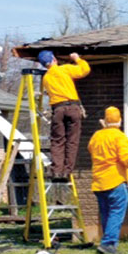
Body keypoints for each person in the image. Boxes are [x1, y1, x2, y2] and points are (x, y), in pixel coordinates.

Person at [87, 106, 128, 254]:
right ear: (120, 120)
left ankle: (106, 242)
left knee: (106, 213)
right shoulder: (119, 136)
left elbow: (90, 149)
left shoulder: (96, 136)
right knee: (116, 212)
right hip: (115, 181)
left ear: (105, 120)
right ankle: (108, 244)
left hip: (98, 182)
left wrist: (104, 130)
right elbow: (127, 159)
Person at [38, 50, 91, 181]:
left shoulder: (46, 78)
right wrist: (77, 58)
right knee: (72, 141)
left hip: (57, 110)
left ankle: (56, 172)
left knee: (57, 141)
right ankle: (67, 172)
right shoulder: (65, 69)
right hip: (72, 108)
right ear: (54, 59)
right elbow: (84, 70)